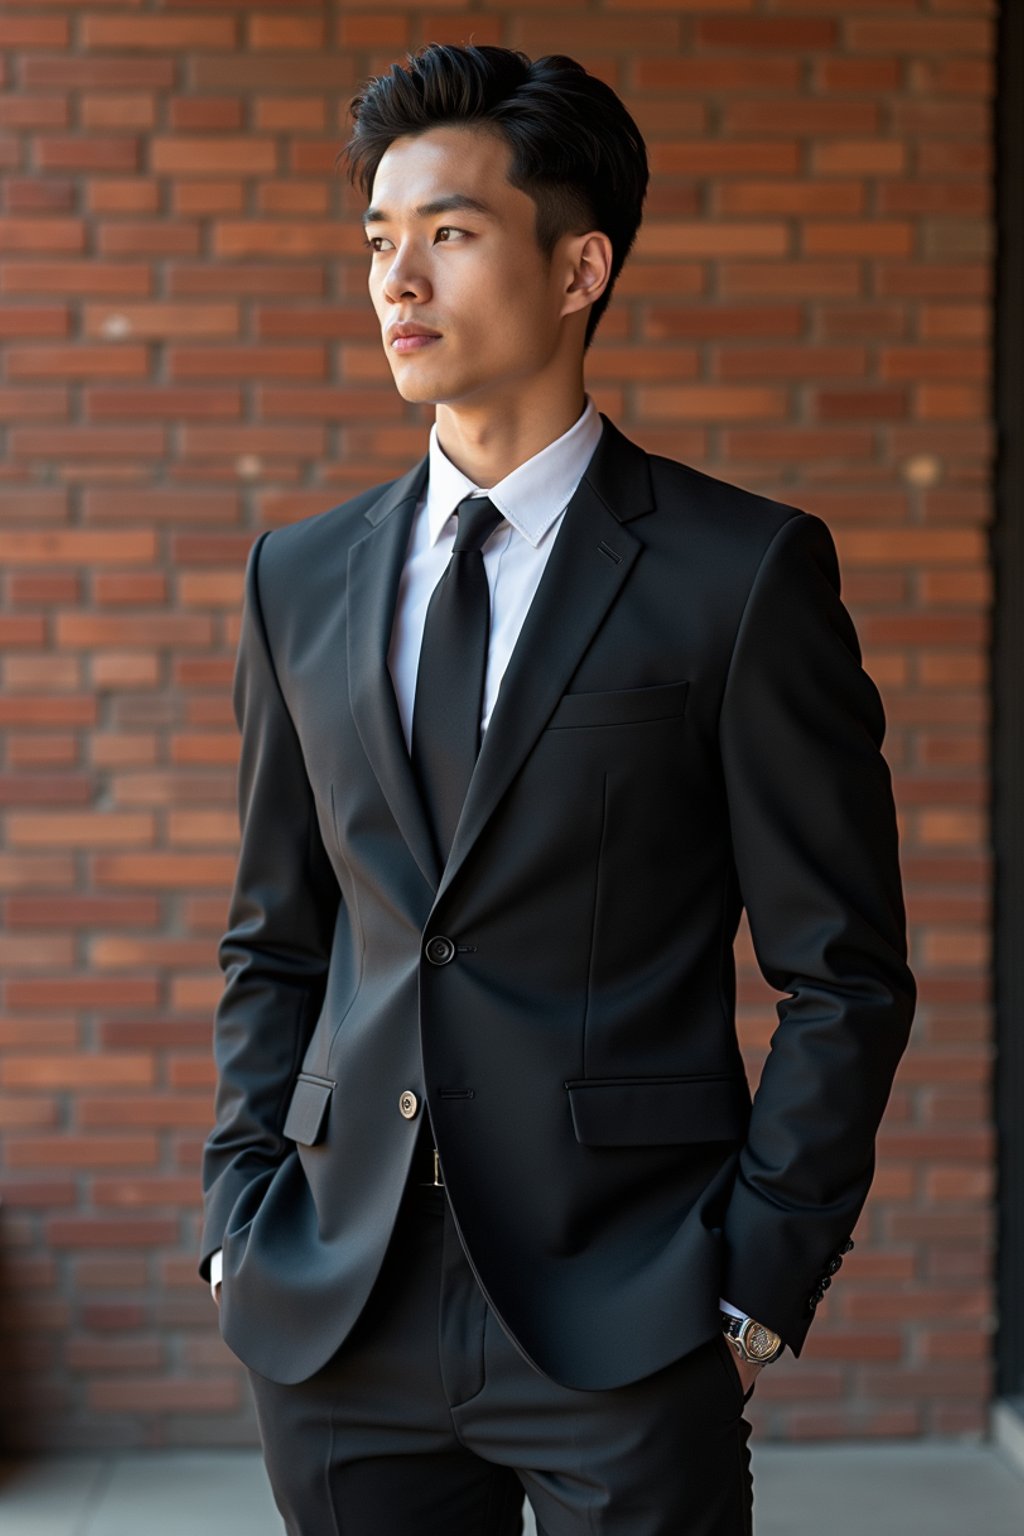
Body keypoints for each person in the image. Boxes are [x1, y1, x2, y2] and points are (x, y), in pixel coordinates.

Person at [198, 42, 916, 1536]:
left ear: (579, 266)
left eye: (449, 237)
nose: (399, 283)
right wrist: (238, 1213)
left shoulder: (742, 575)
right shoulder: (300, 579)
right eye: (380, 244)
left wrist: (760, 1274)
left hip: (632, 1303)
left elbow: (842, 971)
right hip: (340, 1305)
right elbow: (279, 930)